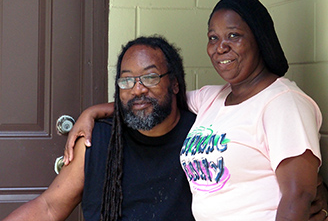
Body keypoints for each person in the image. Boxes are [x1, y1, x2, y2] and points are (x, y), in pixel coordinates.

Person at [64, 0, 328, 221]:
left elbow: (299, 195)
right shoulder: (211, 99)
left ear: (259, 39)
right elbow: (153, 96)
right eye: (213, 38)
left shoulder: (284, 103)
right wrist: (93, 112)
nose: (221, 47)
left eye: (234, 35)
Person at [4, 36, 196, 221]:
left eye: (150, 77)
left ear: (174, 84)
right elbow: (49, 207)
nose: (138, 89)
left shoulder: (200, 136)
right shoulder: (97, 140)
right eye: (127, 80)